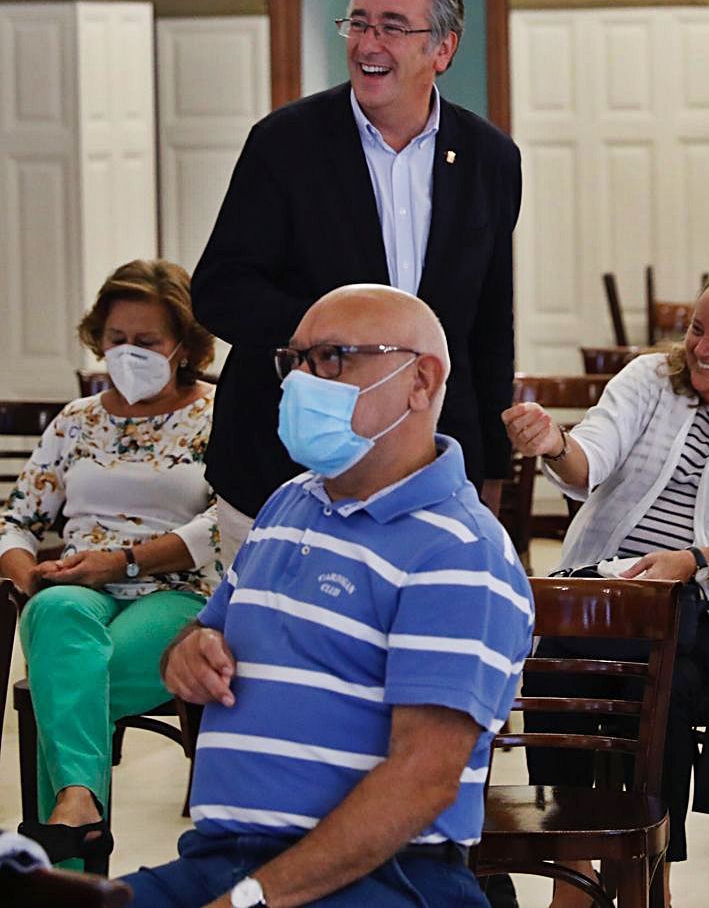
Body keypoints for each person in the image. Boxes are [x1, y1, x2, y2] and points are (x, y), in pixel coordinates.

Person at [121, 285, 533, 908]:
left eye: (334, 358)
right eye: (298, 360)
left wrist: (252, 899)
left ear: (421, 380)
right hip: (223, 857)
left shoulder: (459, 552)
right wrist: (187, 652)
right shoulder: (290, 503)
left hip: (380, 875)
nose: (304, 382)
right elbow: (201, 636)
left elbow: (421, 782)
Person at [503, 262, 709, 907]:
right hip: (607, 595)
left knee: (652, 658)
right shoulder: (650, 380)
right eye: (695, 330)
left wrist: (693, 562)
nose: (701, 350)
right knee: (573, 644)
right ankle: (596, 859)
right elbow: (590, 459)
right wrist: (554, 443)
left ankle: (622, 869)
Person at [192, 0, 521, 566]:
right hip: (280, 465)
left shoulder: (489, 159)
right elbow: (220, 290)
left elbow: (487, 326)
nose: (368, 42)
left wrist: (489, 469)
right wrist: (336, 346)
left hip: (421, 474)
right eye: (359, 23)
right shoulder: (283, 144)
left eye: (393, 27)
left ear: (442, 49)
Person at [0, 259, 220, 869]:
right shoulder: (76, 420)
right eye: (116, 339)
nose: (128, 353)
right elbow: (15, 522)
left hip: (181, 591)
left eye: (146, 342)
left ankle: (69, 861)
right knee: (56, 617)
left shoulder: (218, 416)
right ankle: (81, 810)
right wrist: (30, 580)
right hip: (78, 584)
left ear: (183, 345)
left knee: (64, 680)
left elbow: (226, 524)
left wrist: (121, 561)